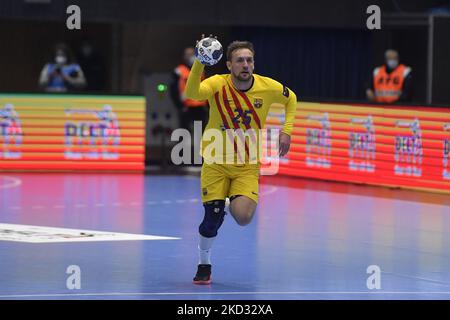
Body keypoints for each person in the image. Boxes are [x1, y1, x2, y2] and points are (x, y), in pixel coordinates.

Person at [185, 36, 297, 285]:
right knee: (211, 221)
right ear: (229, 65)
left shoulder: (267, 87)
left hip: (247, 164)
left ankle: (223, 204)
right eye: (240, 61)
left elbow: (292, 99)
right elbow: (192, 92)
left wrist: (286, 130)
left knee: (244, 218)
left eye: (249, 60)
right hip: (215, 161)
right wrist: (199, 63)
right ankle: (204, 262)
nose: (245, 65)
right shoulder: (217, 83)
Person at [172, 47, 208, 133]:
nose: (191, 56)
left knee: (201, 133)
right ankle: (183, 146)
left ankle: (200, 146)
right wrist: (180, 106)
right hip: (186, 107)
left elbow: (206, 87)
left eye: (192, 54)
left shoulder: (201, 70)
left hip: (200, 107)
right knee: (184, 133)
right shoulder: (179, 71)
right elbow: (173, 90)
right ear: (184, 57)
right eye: (188, 54)